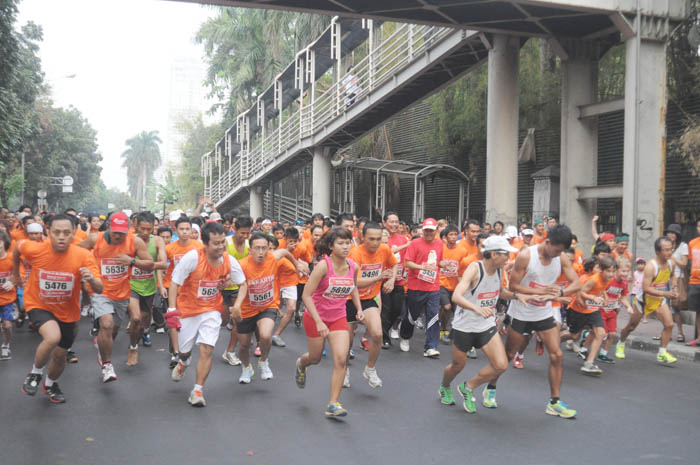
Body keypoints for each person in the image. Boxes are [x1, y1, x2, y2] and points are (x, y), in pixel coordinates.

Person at [489, 225, 581, 419]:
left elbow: (577, 283)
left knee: (556, 355)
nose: (558, 255)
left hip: (544, 313)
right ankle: (491, 387)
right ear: (547, 242)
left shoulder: (561, 258)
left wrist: (561, 292)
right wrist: (541, 293)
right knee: (508, 354)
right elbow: (513, 286)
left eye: (561, 251)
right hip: (521, 312)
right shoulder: (526, 256)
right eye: (556, 250)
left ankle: (554, 402)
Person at [15, 214, 103, 403]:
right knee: (52, 337)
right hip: (38, 303)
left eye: (66, 233)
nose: (61, 237)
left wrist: (92, 280)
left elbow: (99, 288)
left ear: (74, 234)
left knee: (60, 356)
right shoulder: (35, 249)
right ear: (48, 232)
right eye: (56, 232)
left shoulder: (83, 255)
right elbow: (16, 248)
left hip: (67, 311)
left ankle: (50, 383)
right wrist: (16, 274)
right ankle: (35, 373)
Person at [439, 236, 525, 413]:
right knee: (458, 365)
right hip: (464, 326)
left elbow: (500, 292)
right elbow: (456, 296)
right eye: (505, 254)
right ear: (493, 254)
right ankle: (445, 386)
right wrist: (476, 308)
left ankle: (468, 387)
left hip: (486, 325)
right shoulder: (474, 268)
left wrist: (517, 296)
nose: (508, 258)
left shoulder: (500, 271)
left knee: (501, 365)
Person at [165, 222, 245, 407]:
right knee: (184, 352)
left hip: (211, 310)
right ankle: (183, 362)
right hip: (188, 310)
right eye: (216, 243)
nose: (221, 247)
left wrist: (238, 305)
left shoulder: (228, 260)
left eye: (223, 242)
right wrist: (171, 310)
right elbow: (175, 282)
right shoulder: (192, 258)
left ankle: (197, 390)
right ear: (205, 244)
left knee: (207, 349)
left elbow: (243, 284)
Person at [79, 212, 154, 382]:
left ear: (128, 230)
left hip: (122, 293)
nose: (118, 236)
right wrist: (88, 270)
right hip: (101, 289)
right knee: (106, 323)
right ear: (109, 228)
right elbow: (75, 253)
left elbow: (150, 265)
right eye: (115, 232)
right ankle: (107, 366)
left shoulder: (135, 242)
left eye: (122, 232)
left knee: (112, 331)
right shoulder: (94, 239)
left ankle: (103, 348)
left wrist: (132, 261)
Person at [296, 227, 362, 417]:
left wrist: (359, 309)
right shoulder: (323, 266)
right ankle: (301, 364)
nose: (345, 247)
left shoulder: (353, 266)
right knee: (315, 358)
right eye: (340, 243)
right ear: (331, 246)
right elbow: (307, 295)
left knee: (342, 359)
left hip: (338, 317)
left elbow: (353, 287)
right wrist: (318, 321)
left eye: (347, 243)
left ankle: (333, 404)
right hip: (316, 317)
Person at [231, 233, 307, 384]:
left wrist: (297, 264)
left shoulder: (273, 258)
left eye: (264, 248)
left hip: (268, 306)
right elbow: (230, 281)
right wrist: (223, 286)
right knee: (244, 346)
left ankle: (264, 362)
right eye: (257, 248)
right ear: (250, 250)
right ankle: (246, 368)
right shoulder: (242, 265)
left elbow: (285, 252)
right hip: (247, 309)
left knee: (266, 336)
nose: (261, 252)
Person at [347, 222, 397, 388]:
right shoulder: (355, 254)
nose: (375, 243)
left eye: (378, 239)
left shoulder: (384, 249)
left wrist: (391, 279)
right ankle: (344, 369)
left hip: (369, 299)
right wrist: (378, 278)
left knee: (377, 334)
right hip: (349, 299)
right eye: (371, 239)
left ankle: (370, 369)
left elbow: (394, 263)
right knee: (347, 341)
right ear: (362, 237)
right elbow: (355, 283)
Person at [616, 237, 678, 364]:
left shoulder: (671, 262)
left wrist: (675, 287)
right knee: (631, 326)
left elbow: (673, 276)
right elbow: (646, 288)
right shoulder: (651, 266)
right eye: (666, 250)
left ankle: (662, 353)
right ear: (658, 251)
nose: (669, 252)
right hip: (643, 300)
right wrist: (665, 293)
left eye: (671, 249)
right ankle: (620, 343)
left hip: (658, 299)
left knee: (669, 324)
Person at [560, 256, 615, 376]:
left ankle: (589, 364)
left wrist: (605, 299)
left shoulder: (608, 279)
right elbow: (581, 291)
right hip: (578, 310)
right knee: (574, 336)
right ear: (601, 270)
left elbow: (602, 289)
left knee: (600, 333)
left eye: (613, 271)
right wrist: (592, 298)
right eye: (609, 271)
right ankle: (554, 340)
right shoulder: (593, 280)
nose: (611, 274)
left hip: (593, 311)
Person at [161, 217, 204, 368]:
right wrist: (160, 286)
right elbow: (161, 267)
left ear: (192, 231)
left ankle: (185, 348)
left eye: (188, 229)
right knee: (173, 319)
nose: (185, 232)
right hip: (172, 287)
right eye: (182, 229)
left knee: (186, 319)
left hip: (191, 289)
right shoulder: (170, 248)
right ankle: (175, 352)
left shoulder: (198, 246)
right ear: (176, 230)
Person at [127, 212, 167, 365]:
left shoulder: (157, 241)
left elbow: (163, 264)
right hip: (132, 285)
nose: (144, 233)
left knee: (143, 321)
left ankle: (142, 334)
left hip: (149, 287)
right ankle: (133, 348)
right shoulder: (129, 241)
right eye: (142, 229)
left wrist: (137, 263)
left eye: (148, 229)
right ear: (136, 226)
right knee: (135, 318)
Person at [399, 218, 443, 358]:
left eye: (431, 230)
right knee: (413, 315)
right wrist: (421, 267)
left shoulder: (440, 243)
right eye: (426, 230)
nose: (429, 233)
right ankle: (405, 337)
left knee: (433, 315)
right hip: (416, 285)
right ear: (423, 231)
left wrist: (444, 264)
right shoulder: (415, 243)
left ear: (436, 231)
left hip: (433, 286)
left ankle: (431, 347)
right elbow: (407, 263)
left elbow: (438, 261)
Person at [222, 216, 252, 365]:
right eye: (242, 233)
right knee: (222, 320)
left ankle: (230, 351)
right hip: (222, 287)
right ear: (235, 230)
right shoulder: (226, 243)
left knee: (238, 320)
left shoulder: (248, 246)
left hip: (239, 288)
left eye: (248, 233)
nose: (245, 236)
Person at [596, 258, 633, 363]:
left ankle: (603, 354)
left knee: (612, 334)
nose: (625, 274)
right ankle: (586, 346)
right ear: (616, 270)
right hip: (602, 310)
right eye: (623, 271)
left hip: (612, 311)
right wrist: (604, 300)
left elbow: (623, 297)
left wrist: (628, 307)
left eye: (627, 271)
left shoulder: (624, 283)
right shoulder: (609, 280)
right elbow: (600, 290)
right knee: (602, 334)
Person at [438, 224, 467, 344]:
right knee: (447, 306)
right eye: (451, 234)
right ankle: (443, 329)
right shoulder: (440, 248)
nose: (454, 237)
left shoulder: (462, 251)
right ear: (445, 236)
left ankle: (446, 327)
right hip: (441, 282)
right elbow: (435, 262)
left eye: (456, 234)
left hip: (456, 284)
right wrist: (442, 264)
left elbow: (464, 268)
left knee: (454, 309)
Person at [382, 212, 408, 345]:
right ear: (384, 223)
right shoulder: (381, 237)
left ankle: (384, 331)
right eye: (391, 222)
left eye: (396, 222)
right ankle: (384, 338)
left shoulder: (403, 239)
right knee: (385, 310)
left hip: (399, 280)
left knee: (397, 310)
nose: (394, 224)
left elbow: (406, 259)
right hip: (383, 280)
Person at [665, 224, 688, 342]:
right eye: (670, 232)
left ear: (678, 235)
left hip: (677, 279)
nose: (672, 235)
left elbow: (684, 264)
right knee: (664, 307)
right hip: (664, 279)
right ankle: (666, 333)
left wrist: (672, 257)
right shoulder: (665, 245)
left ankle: (680, 333)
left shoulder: (683, 246)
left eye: (674, 233)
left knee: (675, 308)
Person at [0, 231, 16, 360]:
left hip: (6, 298)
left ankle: (6, 345)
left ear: (5, 243)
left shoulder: (11, 258)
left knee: (7, 325)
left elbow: (18, 273)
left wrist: (12, 281)